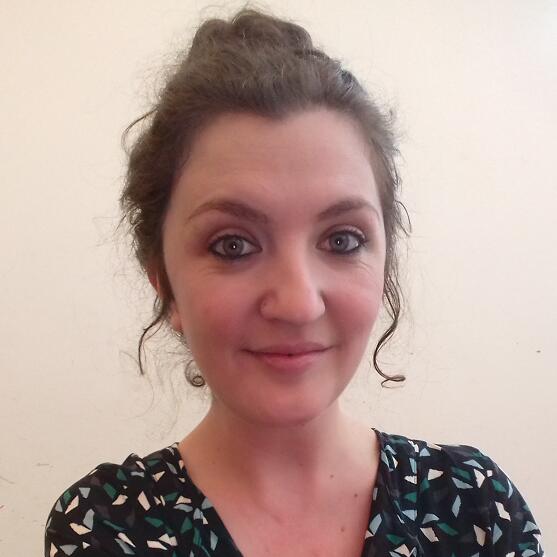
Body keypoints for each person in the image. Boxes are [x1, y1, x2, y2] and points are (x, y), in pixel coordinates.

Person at [44, 8, 544, 557]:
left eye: (343, 240)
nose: (299, 304)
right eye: (232, 245)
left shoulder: (475, 508)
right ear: (164, 283)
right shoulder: (105, 527)